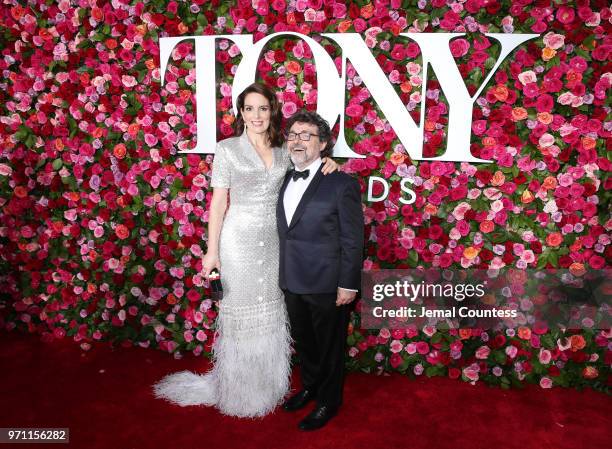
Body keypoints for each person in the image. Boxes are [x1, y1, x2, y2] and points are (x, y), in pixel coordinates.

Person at [152, 83, 338, 418]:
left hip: (276, 245)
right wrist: (212, 252)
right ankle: (240, 390)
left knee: (272, 313)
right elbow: (219, 202)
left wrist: (330, 164)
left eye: (263, 108)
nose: (256, 115)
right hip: (238, 242)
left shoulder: (285, 149)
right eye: (249, 109)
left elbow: (310, 167)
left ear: (272, 111)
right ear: (241, 112)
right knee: (241, 316)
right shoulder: (228, 150)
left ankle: (270, 386)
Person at [276, 111, 364, 430]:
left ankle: (329, 401)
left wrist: (348, 284)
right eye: (293, 135)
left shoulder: (341, 183)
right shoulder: (283, 176)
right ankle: (311, 387)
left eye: (307, 135)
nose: (298, 141)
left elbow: (353, 239)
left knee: (330, 347)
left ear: (323, 144)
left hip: (328, 283)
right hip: (291, 279)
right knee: (305, 343)